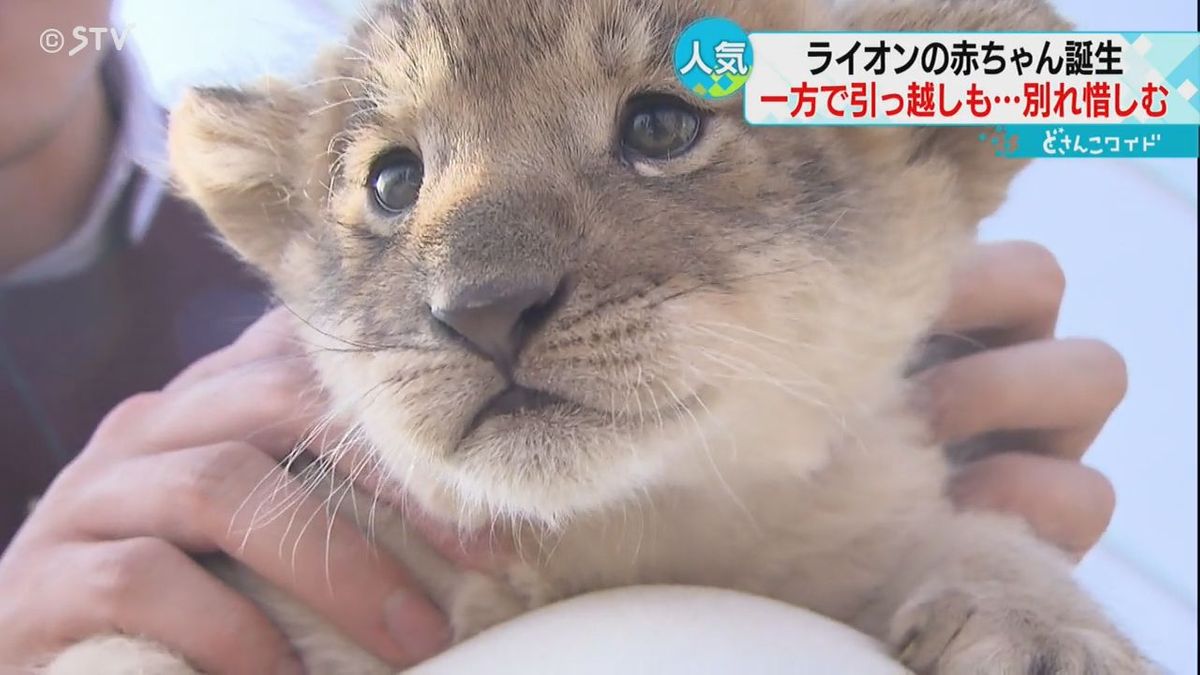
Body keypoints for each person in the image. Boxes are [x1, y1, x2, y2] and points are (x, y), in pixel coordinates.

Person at [0, 2, 1129, 673]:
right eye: (394, 179)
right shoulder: (292, 529)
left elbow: (1077, 77)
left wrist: (996, 585)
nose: (477, 287)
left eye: (661, 124)